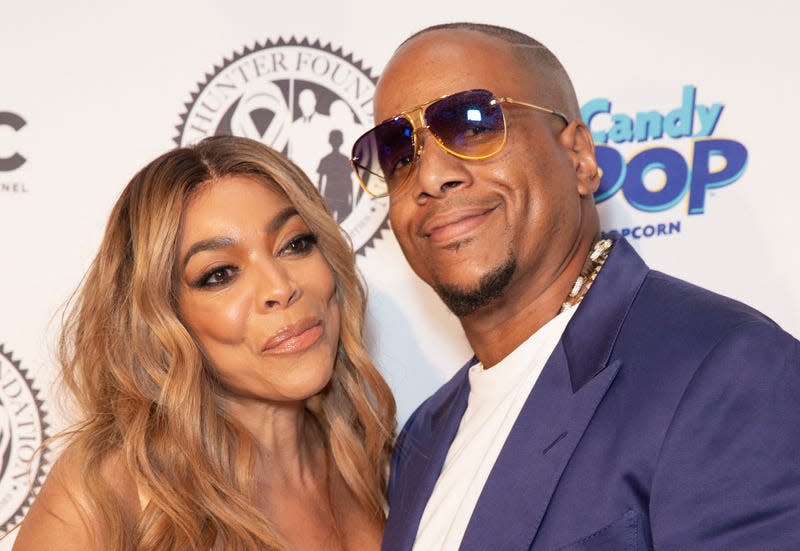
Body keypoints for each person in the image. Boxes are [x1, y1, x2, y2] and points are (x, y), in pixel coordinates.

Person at [350, 22, 800, 550]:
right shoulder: (422, 440)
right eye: (399, 153)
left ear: (581, 158)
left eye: (472, 124)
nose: (429, 178)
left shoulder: (726, 369)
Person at [13, 135, 395, 550]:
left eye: (294, 244)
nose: (280, 287)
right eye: (220, 274)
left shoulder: (368, 462)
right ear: (163, 319)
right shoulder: (105, 493)